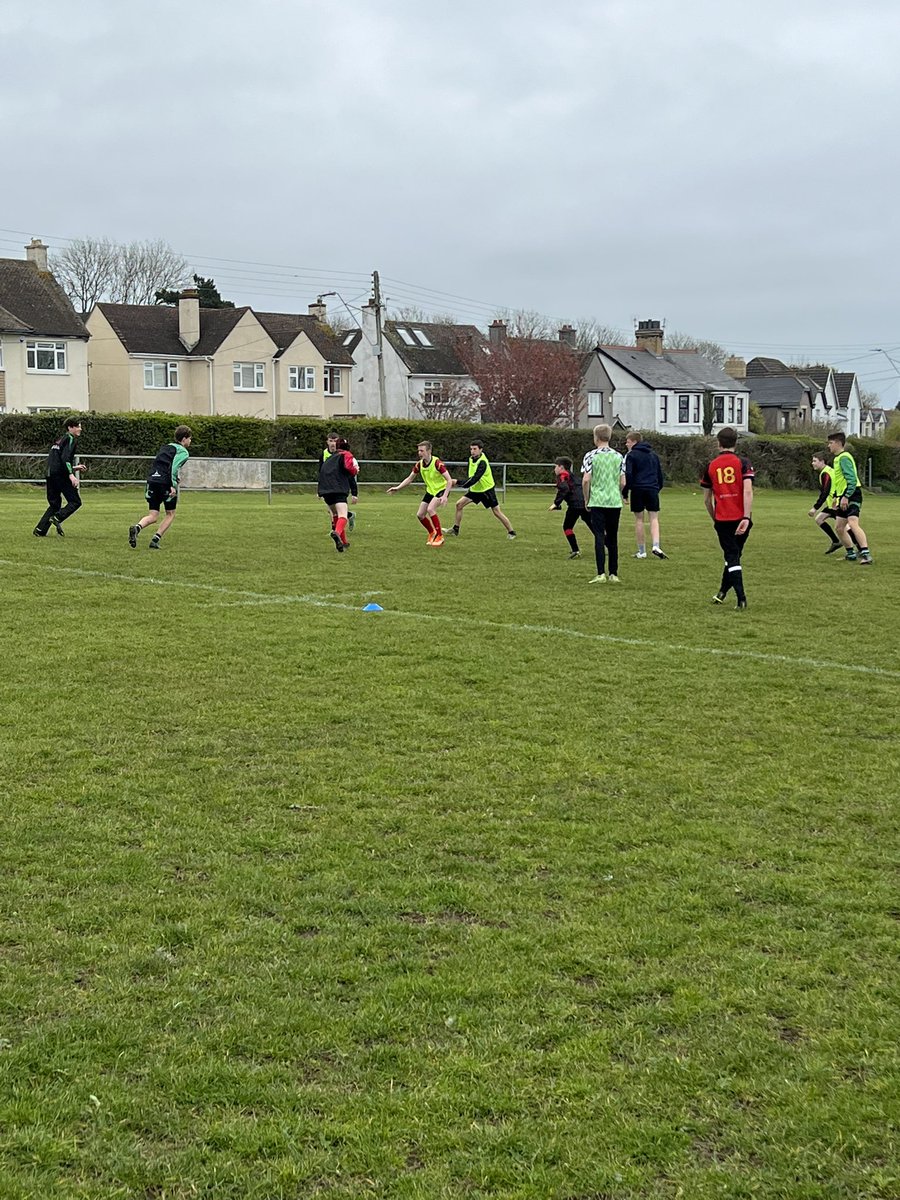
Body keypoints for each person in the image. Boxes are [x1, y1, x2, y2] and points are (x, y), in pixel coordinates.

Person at [701, 426, 754, 608]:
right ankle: (722, 592)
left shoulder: (711, 466)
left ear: (718, 444)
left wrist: (714, 518)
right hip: (742, 518)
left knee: (732, 557)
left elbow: (707, 500)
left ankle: (741, 598)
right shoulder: (743, 463)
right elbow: (747, 491)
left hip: (723, 519)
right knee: (734, 556)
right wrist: (746, 517)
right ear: (735, 443)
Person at [128, 426, 193, 550]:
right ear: (184, 439)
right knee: (170, 513)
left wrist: (173, 478)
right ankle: (155, 540)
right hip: (165, 484)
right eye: (190, 438)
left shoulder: (165, 447)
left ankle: (137, 528)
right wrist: (173, 484)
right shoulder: (183, 452)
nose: (190, 441)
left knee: (153, 515)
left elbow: (160, 465)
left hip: (152, 481)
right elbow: (173, 467)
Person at [386, 440, 454, 545]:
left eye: (422, 451)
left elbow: (449, 480)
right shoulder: (419, 464)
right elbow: (410, 479)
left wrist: (445, 496)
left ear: (429, 451)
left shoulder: (437, 463)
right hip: (431, 491)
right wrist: (397, 488)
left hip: (442, 490)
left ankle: (440, 536)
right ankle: (432, 533)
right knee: (420, 515)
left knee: (430, 509)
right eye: (418, 451)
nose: (419, 453)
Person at [581, 424, 625, 583]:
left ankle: (601, 573)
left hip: (598, 500)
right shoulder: (619, 456)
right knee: (613, 537)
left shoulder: (591, 456)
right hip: (614, 501)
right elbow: (623, 482)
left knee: (599, 536)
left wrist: (586, 498)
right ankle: (614, 573)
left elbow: (586, 480)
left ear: (596, 438)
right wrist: (617, 492)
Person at [33, 417, 87, 537]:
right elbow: (65, 458)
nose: (80, 429)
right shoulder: (70, 438)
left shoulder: (59, 440)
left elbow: (57, 460)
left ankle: (40, 530)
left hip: (50, 474)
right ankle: (57, 518)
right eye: (78, 426)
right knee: (75, 502)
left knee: (55, 504)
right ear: (70, 427)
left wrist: (74, 468)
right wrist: (71, 475)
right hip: (61, 476)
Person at [451, 440, 516, 539]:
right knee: (459, 504)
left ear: (481, 450)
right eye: (471, 449)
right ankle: (455, 530)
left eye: (475, 449)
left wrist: (457, 482)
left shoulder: (483, 462)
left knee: (496, 511)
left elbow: (474, 479)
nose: (472, 451)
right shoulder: (471, 459)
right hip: (475, 490)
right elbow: (471, 477)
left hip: (486, 490)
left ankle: (511, 532)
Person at [826, 431, 873, 565]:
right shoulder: (838, 458)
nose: (829, 446)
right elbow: (840, 481)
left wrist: (846, 496)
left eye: (830, 443)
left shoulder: (844, 458)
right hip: (843, 495)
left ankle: (866, 554)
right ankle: (851, 554)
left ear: (838, 443)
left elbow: (851, 479)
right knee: (839, 527)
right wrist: (837, 497)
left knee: (852, 523)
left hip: (852, 494)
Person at [623, 432, 667, 559]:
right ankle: (656, 545)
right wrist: (657, 488)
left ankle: (642, 551)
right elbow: (659, 474)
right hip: (652, 488)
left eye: (628, 442)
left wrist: (625, 492)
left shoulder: (631, 455)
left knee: (639, 519)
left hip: (637, 489)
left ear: (634, 442)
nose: (626, 444)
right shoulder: (653, 455)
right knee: (654, 517)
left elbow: (629, 474)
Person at [808, 451, 858, 554]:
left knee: (844, 527)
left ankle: (859, 548)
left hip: (836, 504)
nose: (812, 463)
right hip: (832, 503)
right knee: (819, 519)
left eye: (815, 461)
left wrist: (815, 508)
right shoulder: (828, 471)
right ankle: (836, 542)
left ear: (822, 461)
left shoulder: (826, 473)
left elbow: (825, 492)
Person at [549, 457, 591, 558]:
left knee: (567, 527)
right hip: (585, 503)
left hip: (574, 505)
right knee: (592, 525)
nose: (554, 469)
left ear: (561, 467)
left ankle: (575, 550)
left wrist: (556, 503)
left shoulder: (563, 475)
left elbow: (564, 489)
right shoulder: (574, 476)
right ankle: (607, 544)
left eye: (556, 466)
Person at [319, 431, 358, 541]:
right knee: (340, 514)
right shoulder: (344, 455)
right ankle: (337, 531)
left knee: (335, 513)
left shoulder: (335, 457)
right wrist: (355, 471)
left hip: (327, 489)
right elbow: (350, 471)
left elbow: (350, 477)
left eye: (335, 441)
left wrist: (354, 493)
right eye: (331, 441)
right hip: (336, 489)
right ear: (327, 442)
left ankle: (342, 541)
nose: (333, 443)